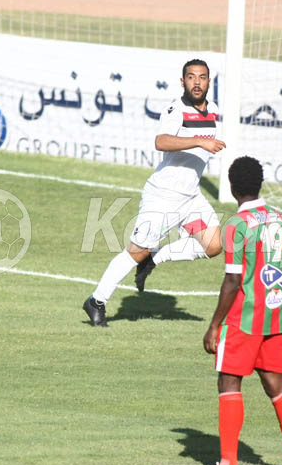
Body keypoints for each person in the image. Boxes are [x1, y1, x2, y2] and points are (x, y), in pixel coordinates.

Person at [193, 156, 282, 465]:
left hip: (244, 319)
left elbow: (233, 280)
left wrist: (214, 325)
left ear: (232, 187)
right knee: (275, 384)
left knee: (229, 381)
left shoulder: (236, 225)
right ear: (260, 184)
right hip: (274, 317)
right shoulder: (279, 219)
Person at [83, 59, 226, 327]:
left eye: (202, 77)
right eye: (191, 77)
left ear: (209, 82)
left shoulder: (214, 110)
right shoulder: (176, 109)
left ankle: (155, 258)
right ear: (182, 81)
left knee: (214, 244)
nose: (197, 82)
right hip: (163, 197)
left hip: (190, 198)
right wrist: (199, 141)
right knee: (136, 251)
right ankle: (96, 301)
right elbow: (161, 141)